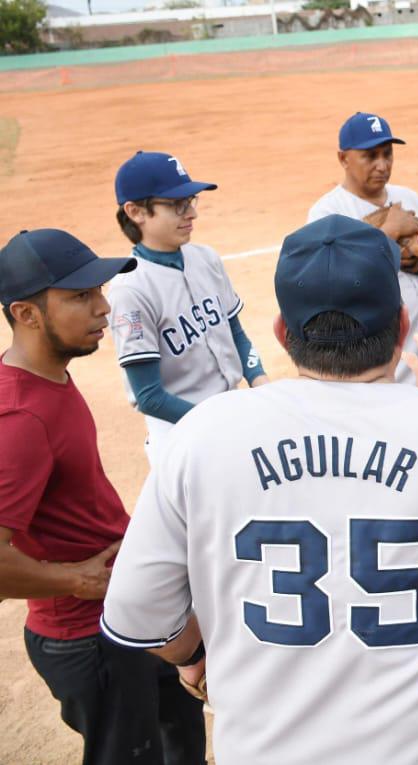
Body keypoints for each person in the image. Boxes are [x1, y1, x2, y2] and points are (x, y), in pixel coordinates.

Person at [100, 215, 418, 765]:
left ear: (282, 332)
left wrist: (197, 652)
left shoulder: (203, 433)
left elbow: (138, 612)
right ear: (400, 325)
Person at [0, 229, 205, 765]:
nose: (104, 308)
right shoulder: (21, 419)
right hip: (87, 640)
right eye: (81, 296)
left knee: (181, 740)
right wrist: (74, 579)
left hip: (124, 620)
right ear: (27, 313)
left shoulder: (49, 380)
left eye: (99, 291)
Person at [109, 150, 269, 464]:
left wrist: (259, 380)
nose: (191, 213)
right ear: (136, 211)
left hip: (228, 416)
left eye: (191, 201)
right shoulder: (130, 290)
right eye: (176, 205)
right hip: (179, 435)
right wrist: (216, 425)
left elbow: (237, 333)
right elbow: (149, 397)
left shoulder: (205, 258)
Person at [308, 111, 418, 384]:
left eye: (387, 154)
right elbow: (333, 282)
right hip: (379, 375)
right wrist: (390, 232)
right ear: (343, 158)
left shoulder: (410, 198)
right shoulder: (328, 213)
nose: (382, 165)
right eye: (370, 155)